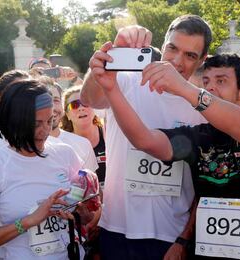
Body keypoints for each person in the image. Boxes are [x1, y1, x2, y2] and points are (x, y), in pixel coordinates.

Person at [96, 52, 240, 259]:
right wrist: (111, 89)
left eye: (221, 81)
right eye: (205, 81)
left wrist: (185, 88)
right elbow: (145, 140)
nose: (211, 87)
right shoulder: (199, 135)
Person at [82, 15, 212, 259]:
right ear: (163, 46)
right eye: (172, 48)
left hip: (170, 236)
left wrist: (184, 238)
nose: (176, 61)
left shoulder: (203, 107)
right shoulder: (128, 80)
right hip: (117, 227)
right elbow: (90, 99)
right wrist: (114, 53)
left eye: (190, 55)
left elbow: (205, 184)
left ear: (202, 60)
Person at [0, 79, 84, 259]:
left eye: (50, 121)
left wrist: (86, 206)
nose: (45, 130)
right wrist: (30, 221)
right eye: (36, 124)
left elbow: (85, 211)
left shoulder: (65, 153)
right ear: (15, 121)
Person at [44, 78, 99, 173]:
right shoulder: (22, 147)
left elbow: (92, 185)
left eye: (56, 100)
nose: (51, 107)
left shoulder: (83, 144)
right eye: (44, 101)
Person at [62, 85, 106, 187]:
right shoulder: (62, 143)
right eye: (74, 105)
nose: (81, 108)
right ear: (67, 114)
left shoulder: (108, 133)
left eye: (85, 103)